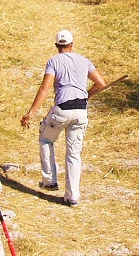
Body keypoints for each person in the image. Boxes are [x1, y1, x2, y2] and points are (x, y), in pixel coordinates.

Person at [21, 30, 108, 207]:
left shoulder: (54, 61)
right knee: (74, 153)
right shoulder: (84, 61)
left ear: (56, 46)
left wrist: (31, 113)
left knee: (46, 139)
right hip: (80, 111)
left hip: (62, 109)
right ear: (72, 44)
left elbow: (45, 88)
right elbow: (101, 84)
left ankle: (49, 180)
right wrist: (87, 95)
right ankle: (72, 196)